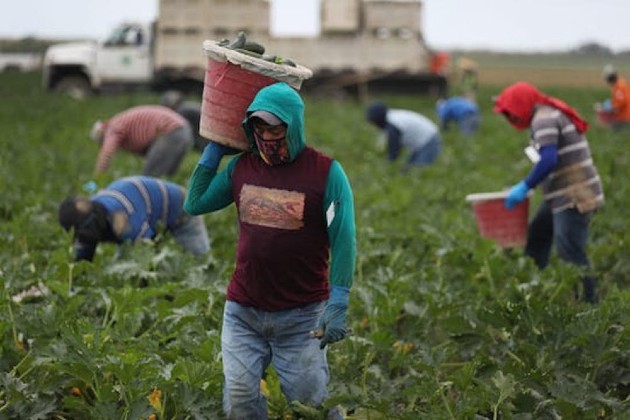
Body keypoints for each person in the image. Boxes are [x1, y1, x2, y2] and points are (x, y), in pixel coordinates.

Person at [184, 82, 356, 418]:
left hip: (302, 316)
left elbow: (344, 236)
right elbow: (195, 203)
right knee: (239, 402)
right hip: (243, 312)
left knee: (310, 405)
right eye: (258, 127)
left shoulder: (325, 173)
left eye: (274, 127)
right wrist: (213, 152)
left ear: (292, 125)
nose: (266, 136)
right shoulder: (242, 168)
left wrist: (339, 298)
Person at [493, 82, 604, 304]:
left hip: (574, 195)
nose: (511, 119)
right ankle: (531, 289)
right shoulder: (546, 114)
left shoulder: (543, 119)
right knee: (538, 236)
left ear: (522, 104)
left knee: (570, 251)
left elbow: (549, 160)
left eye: (511, 113)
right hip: (560, 194)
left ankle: (590, 306)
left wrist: (526, 185)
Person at [59, 176, 210, 261]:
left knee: (201, 261)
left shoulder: (124, 219)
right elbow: (82, 258)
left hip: (182, 209)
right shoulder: (93, 216)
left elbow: (146, 253)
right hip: (147, 210)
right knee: (121, 266)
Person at [90, 105, 193, 177]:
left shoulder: (112, 128)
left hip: (171, 131)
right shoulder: (119, 122)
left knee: (149, 177)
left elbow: (107, 153)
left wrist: (98, 175)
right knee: (167, 175)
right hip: (184, 130)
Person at [366, 101, 442, 173]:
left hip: (429, 141)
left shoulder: (393, 126)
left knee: (419, 170)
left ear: (377, 119)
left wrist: (388, 166)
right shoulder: (391, 117)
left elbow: (394, 150)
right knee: (407, 170)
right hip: (421, 143)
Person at [594, 64, 630, 131]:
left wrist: (605, 109)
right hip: (625, 115)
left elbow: (620, 104)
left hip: (623, 118)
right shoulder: (621, 83)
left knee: (601, 124)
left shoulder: (618, 87)